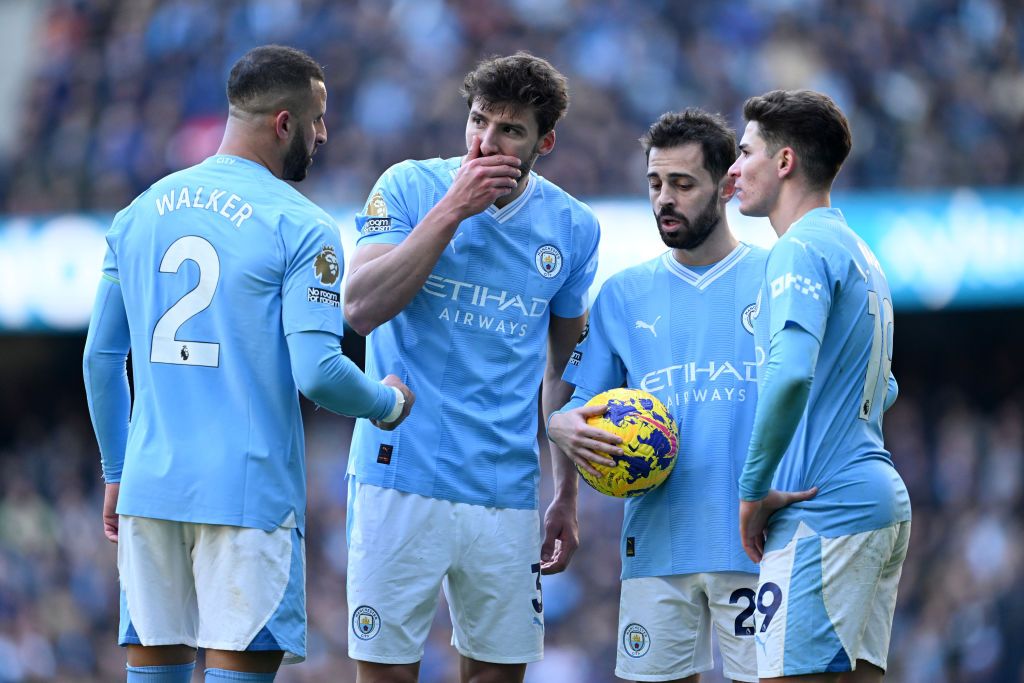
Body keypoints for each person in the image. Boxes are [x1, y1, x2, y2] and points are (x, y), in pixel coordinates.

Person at [82, 45, 413, 683]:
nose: (324, 134)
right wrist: (387, 402)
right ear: (283, 123)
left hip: (151, 488)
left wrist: (118, 470)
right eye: (318, 119)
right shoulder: (302, 225)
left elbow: (101, 358)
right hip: (247, 494)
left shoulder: (140, 211)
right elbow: (317, 372)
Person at [342, 52, 600, 683]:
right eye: (479, 121)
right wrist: (452, 209)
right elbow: (361, 307)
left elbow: (563, 370)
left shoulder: (573, 227)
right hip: (396, 474)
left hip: (505, 489)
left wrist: (564, 493)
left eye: (510, 130)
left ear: (546, 141)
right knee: (384, 672)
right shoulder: (407, 186)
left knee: (497, 674)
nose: (486, 142)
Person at [548, 109, 807, 683]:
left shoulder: (778, 276)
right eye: (655, 184)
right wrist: (559, 426)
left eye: (683, 184)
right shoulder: (621, 294)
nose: (665, 198)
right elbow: (579, 406)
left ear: (727, 184)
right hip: (657, 547)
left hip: (760, 548)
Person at [728, 89, 910, 682]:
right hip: (878, 502)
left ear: (784, 163)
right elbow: (886, 391)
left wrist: (754, 490)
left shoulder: (798, 248)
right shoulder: (860, 252)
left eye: (745, 151)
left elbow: (790, 376)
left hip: (822, 511)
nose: (733, 168)